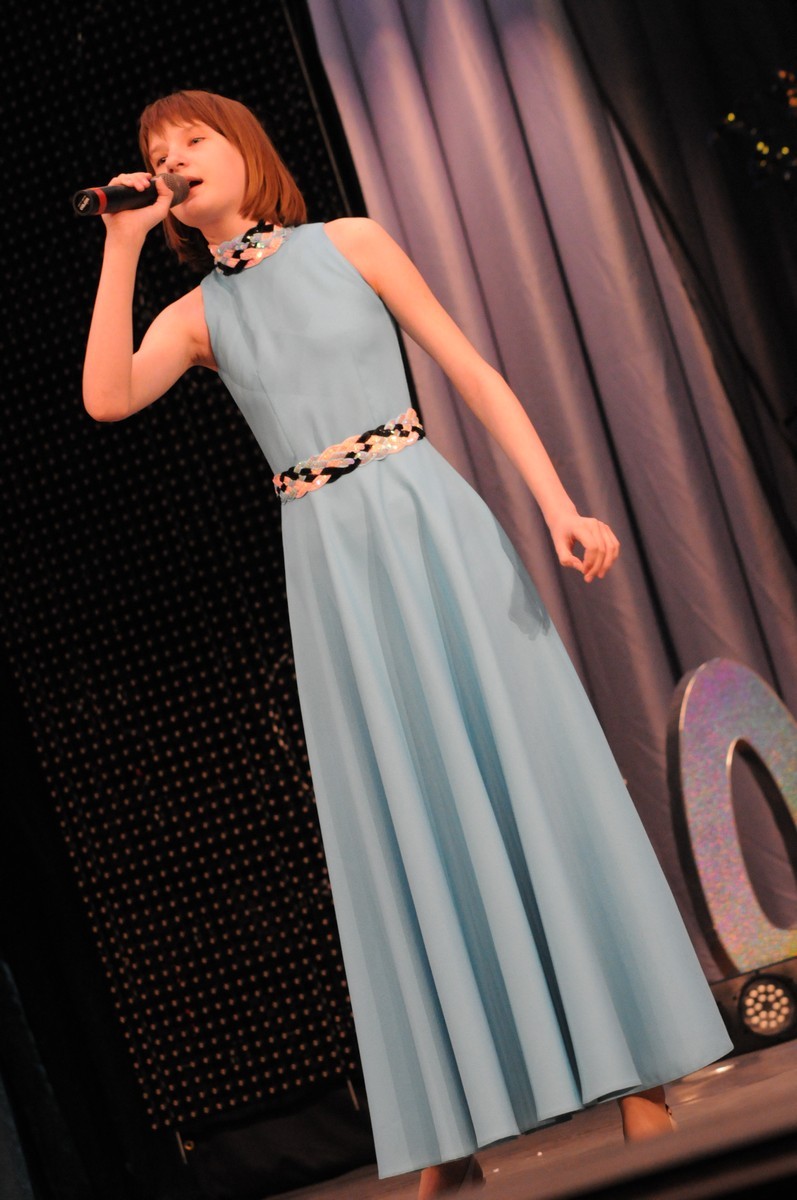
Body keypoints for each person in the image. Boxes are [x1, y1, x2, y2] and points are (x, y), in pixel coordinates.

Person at [82, 90, 733, 1196]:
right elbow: (106, 399)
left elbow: (472, 372)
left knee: (534, 772)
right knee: (395, 822)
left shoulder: (351, 242)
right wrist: (121, 244)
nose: (173, 159)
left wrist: (560, 505)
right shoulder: (194, 316)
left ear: (243, 149)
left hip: (427, 520)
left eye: (191, 140)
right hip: (328, 563)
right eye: (156, 152)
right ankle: (446, 1131)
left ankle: (640, 1075)